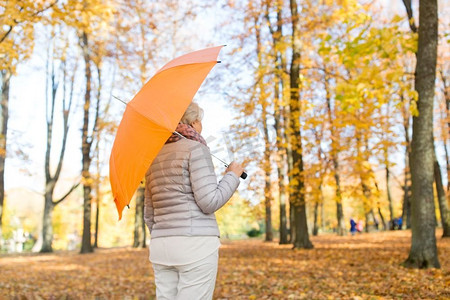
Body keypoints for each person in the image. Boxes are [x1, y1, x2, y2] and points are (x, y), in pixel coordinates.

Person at [144, 102, 244, 300]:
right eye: (201, 121)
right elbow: (209, 202)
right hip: (195, 245)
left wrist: (166, 234)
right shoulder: (195, 148)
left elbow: (149, 213)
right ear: (195, 122)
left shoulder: (152, 157)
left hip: (161, 247)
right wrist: (232, 176)